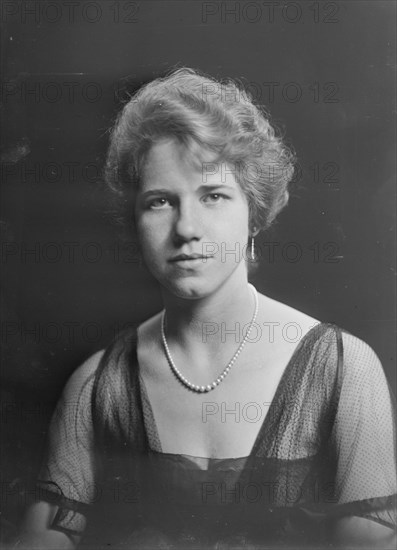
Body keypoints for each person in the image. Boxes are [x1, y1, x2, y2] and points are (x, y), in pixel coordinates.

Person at [16, 67, 396, 549]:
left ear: (254, 213)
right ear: (134, 220)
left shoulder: (343, 370)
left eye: (213, 195)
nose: (186, 228)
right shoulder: (97, 386)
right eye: (160, 202)